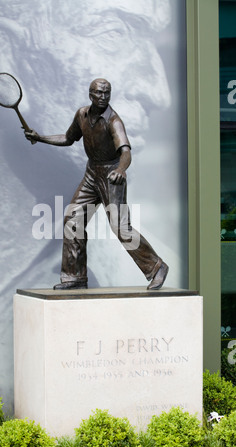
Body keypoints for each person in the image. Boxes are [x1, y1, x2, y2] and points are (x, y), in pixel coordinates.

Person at [25, 78, 168, 290]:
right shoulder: (82, 115)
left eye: (106, 93)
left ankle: (157, 267)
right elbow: (67, 137)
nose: (102, 97)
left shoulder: (114, 121)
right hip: (92, 173)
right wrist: (40, 137)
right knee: (72, 220)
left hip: (112, 175)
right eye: (98, 93)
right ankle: (74, 278)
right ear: (90, 95)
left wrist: (120, 169)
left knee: (121, 228)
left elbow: (126, 152)